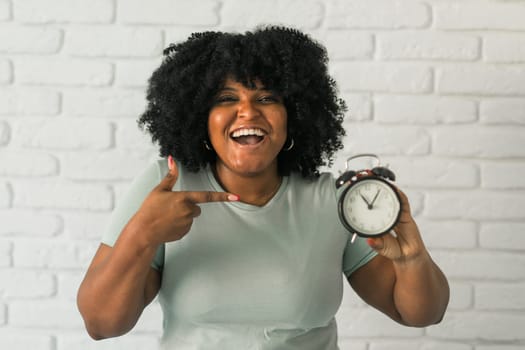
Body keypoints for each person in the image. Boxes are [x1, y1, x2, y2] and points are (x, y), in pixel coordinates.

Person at [77, 26, 449, 349]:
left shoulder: (333, 200)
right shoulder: (167, 184)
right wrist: (140, 234)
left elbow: (416, 314)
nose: (248, 112)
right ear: (200, 118)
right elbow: (101, 325)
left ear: (295, 115)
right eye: (226, 99)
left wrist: (412, 258)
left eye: (267, 98)